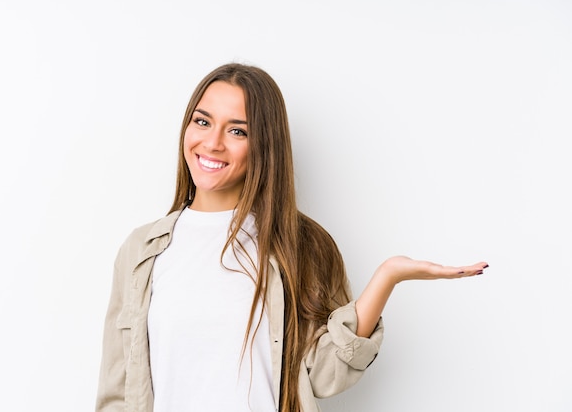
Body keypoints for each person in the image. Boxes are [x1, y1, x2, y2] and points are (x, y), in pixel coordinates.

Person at [95, 63, 488, 412]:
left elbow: (323, 376)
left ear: (264, 145)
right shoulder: (141, 251)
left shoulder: (300, 244)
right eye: (202, 121)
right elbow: (117, 389)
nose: (212, 142)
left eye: (237, 130)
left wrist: (387, 276)